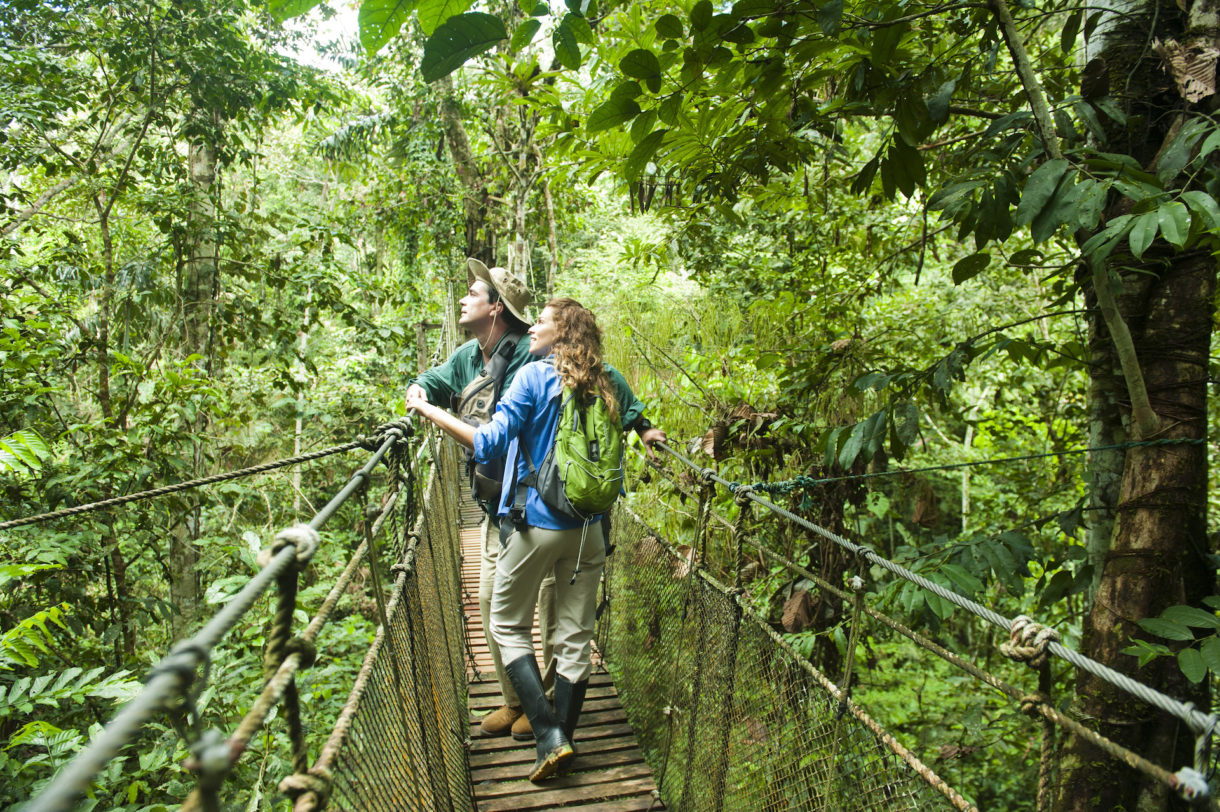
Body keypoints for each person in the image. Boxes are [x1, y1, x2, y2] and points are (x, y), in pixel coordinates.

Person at [404, 260, 666, 740]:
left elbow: (487, 443)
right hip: (591, 527)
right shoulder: (608, 377)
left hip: (536, 520)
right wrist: (648, 431)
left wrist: (426, 411)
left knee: (505, 621)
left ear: (559, 333)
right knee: (575, 636)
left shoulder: (532, 377)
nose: (533, 330)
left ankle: (545, 730)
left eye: (541, 322)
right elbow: (634, 414)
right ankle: (559, 736)